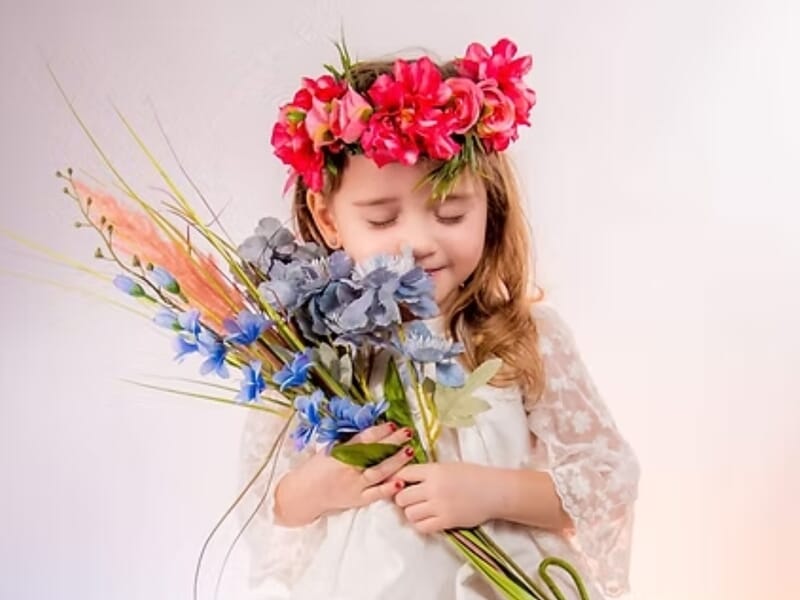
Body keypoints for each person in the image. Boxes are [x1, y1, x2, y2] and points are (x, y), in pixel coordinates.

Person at [238, 39, 640, 599]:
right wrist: (321, 487)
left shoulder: (523, 338)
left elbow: (608, 481)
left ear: (489, 206)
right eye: (381, 220)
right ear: (328, 220)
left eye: (451, 212)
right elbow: (267, 503)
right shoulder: (308, 354)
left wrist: (490, 493)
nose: (420, 243)